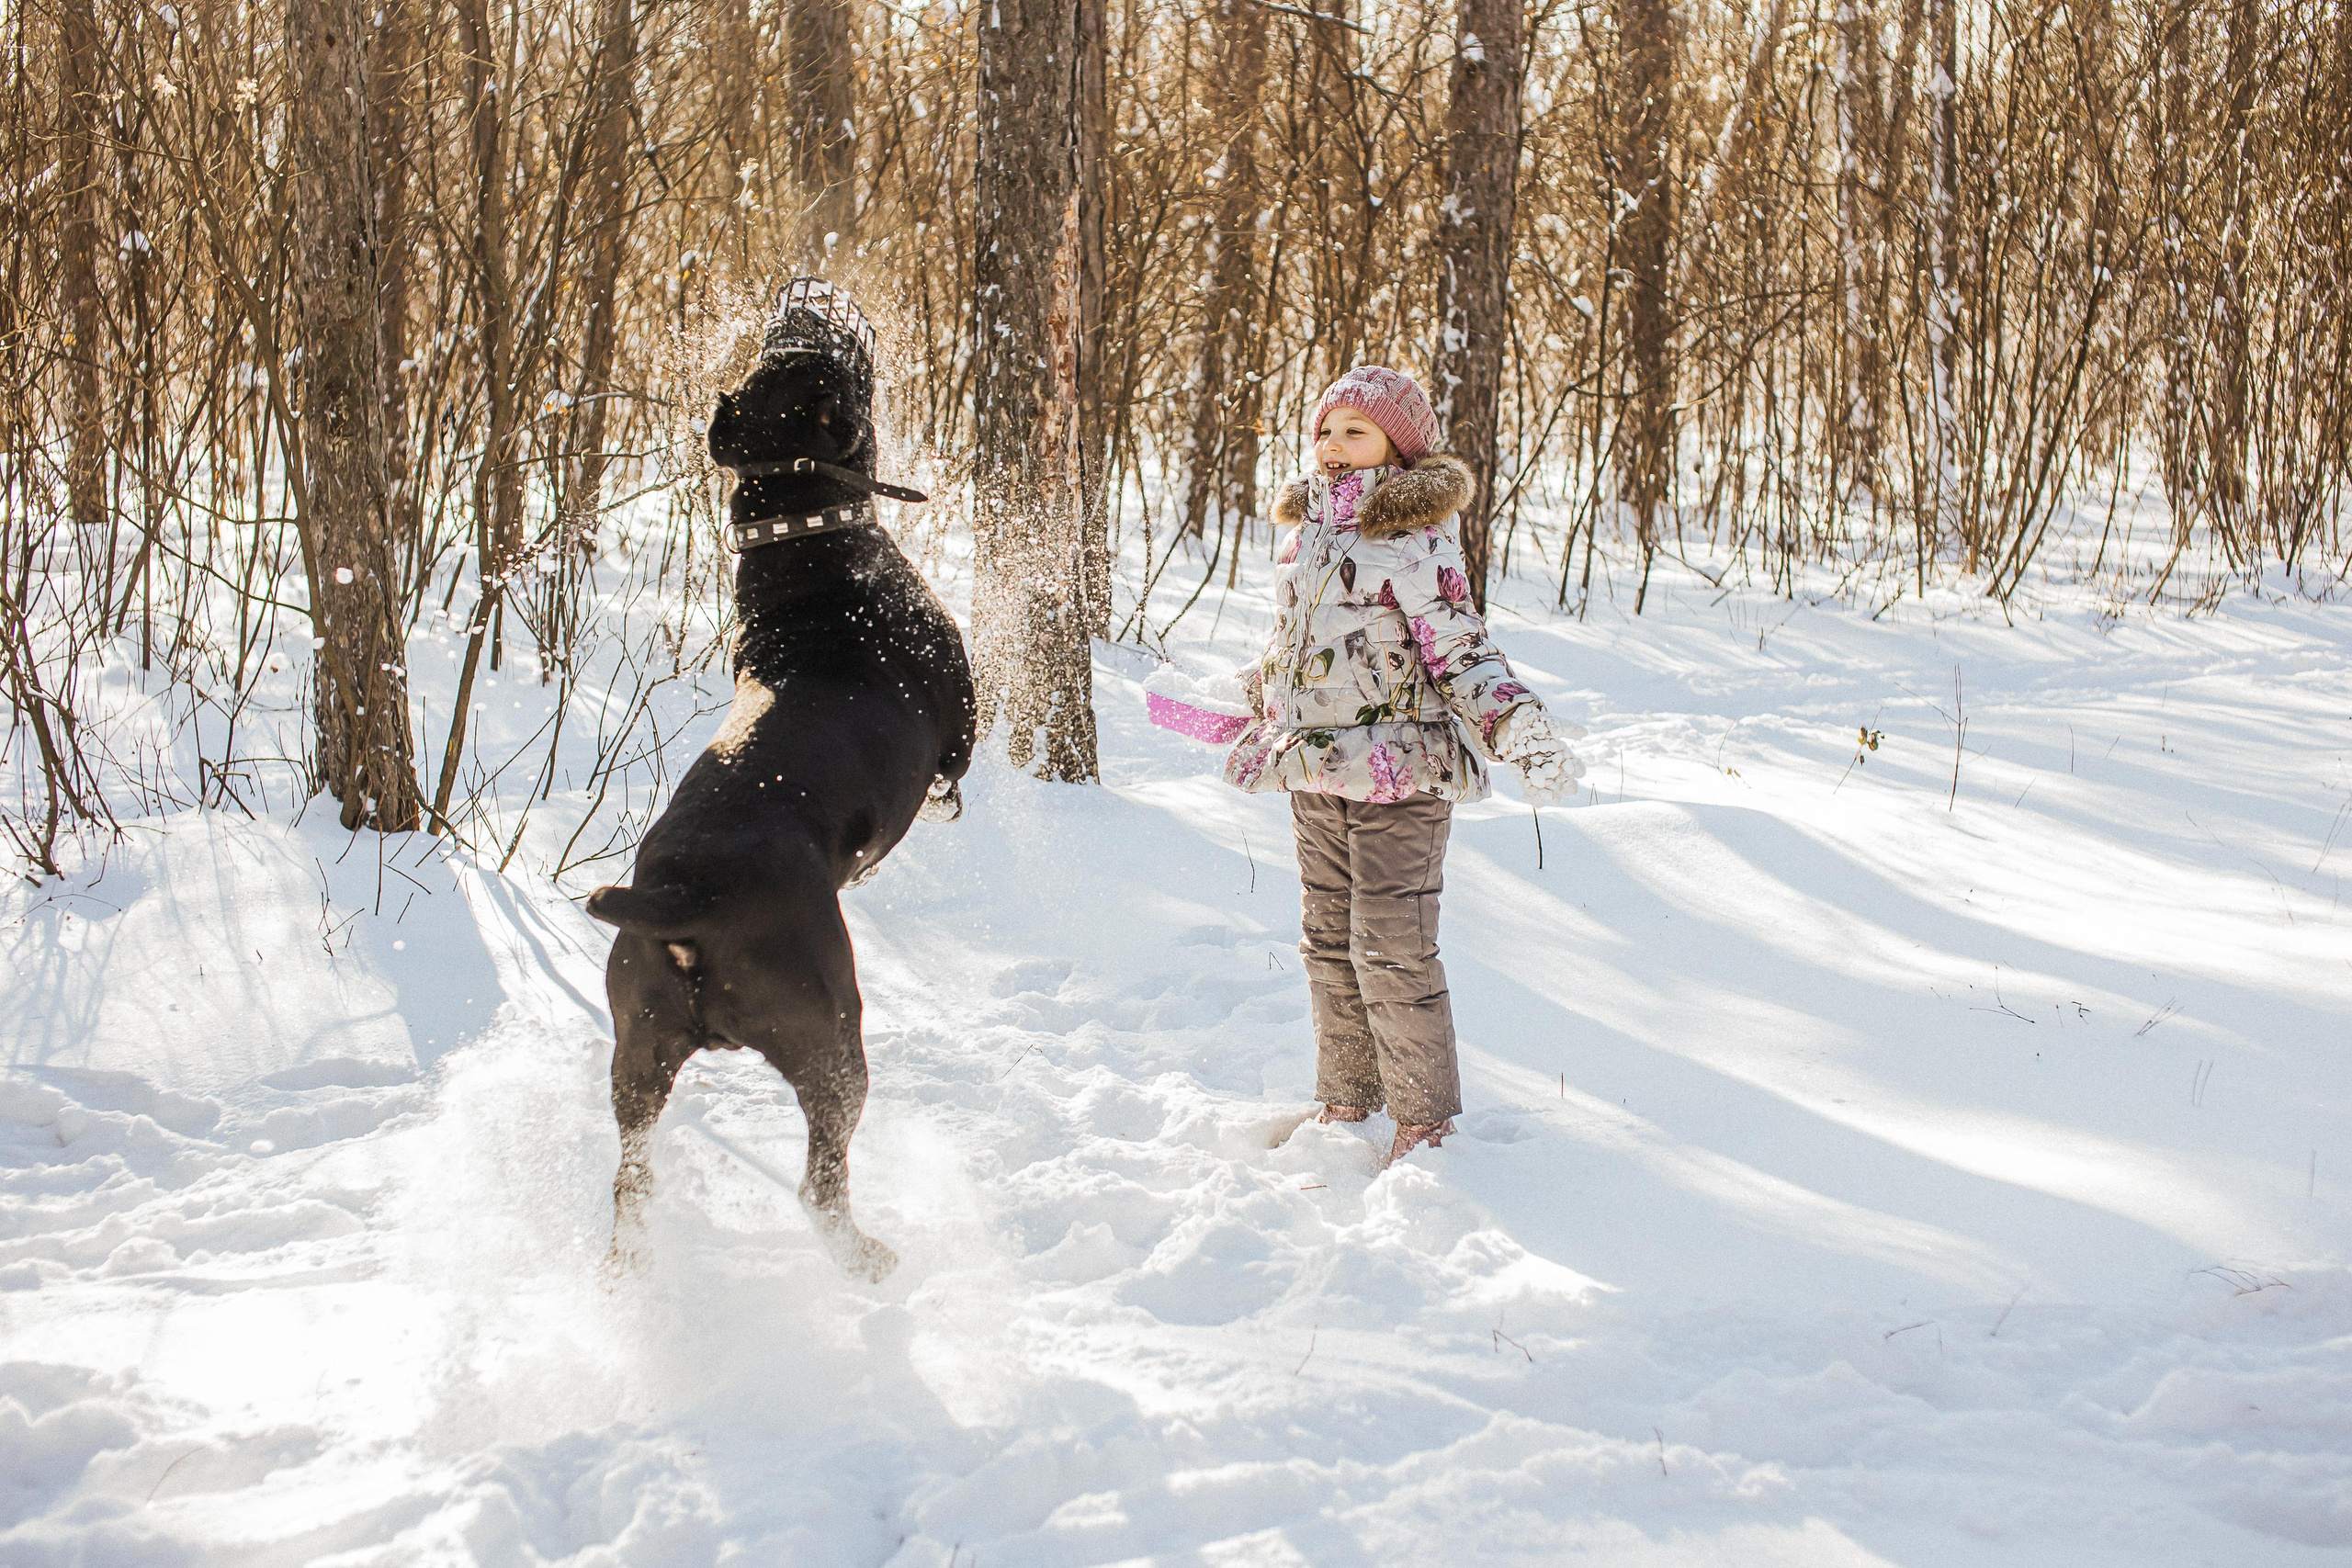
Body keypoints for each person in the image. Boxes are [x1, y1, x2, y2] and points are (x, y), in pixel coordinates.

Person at [1222, 366, 1582, 1165]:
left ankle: (1423, 1122)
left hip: (1401, 771)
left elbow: (1459, 648)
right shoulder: (1307, 531)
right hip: (1317, 768)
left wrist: (1517, 723)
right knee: (1327, 940)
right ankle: (1348, 1100)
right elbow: (1298, 644)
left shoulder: (1415, 537)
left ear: (1398, 446)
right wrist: (1255, 691)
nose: (1333, 445)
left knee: (1390, 943)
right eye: (1325, 429)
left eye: (1356, 431)